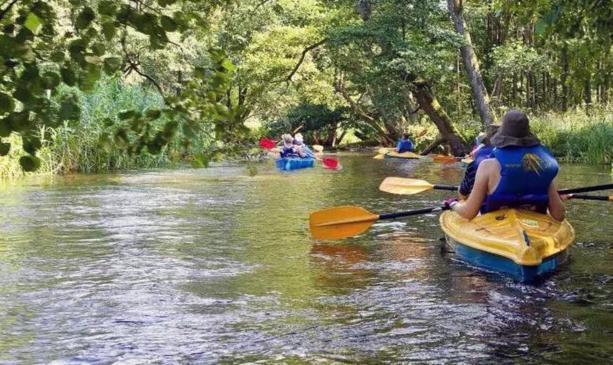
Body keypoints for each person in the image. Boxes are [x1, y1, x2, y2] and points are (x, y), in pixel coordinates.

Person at [445, 110, 565, 221]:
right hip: (534, 227)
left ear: (502, 136)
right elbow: (559, 214)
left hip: (495, 228)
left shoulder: (488, 166)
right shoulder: (543, 166)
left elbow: (468, 213)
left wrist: (453, 204)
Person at [458, 125, 498, 198]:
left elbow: (463, 192)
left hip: (482, 203)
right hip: (513, 201)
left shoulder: (480, 154)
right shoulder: (521, 160)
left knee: (461, 190)